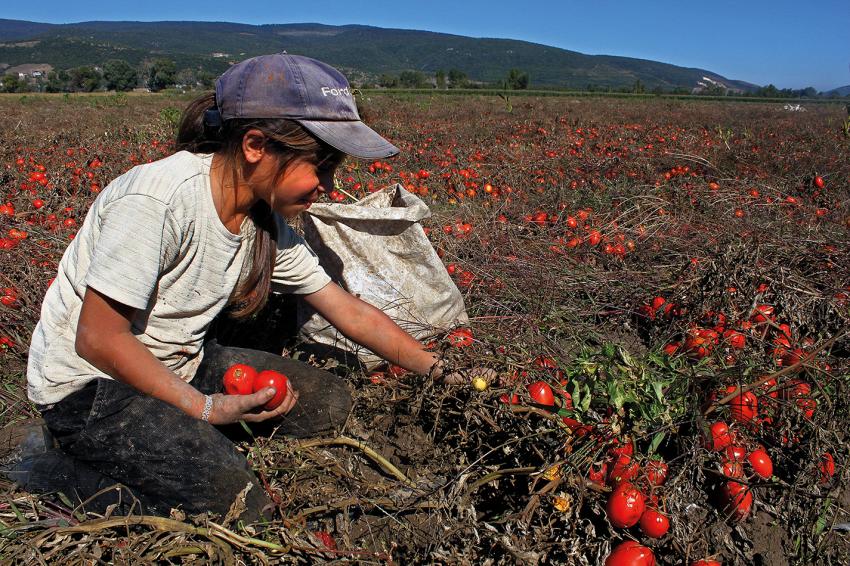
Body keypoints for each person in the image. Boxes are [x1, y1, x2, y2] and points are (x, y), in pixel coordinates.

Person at [2, 53, 462, 522]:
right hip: (92, 386)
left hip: (181, 363)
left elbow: (347, 310)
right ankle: (42, 461)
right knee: (240, 507)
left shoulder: (264, 219)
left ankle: (182, 440)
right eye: (320, 165)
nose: (327, 184)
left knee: (328, 404)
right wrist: (203, 409)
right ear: (256, 144)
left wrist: (440, 372)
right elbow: (98, 339)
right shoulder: (158, 200)